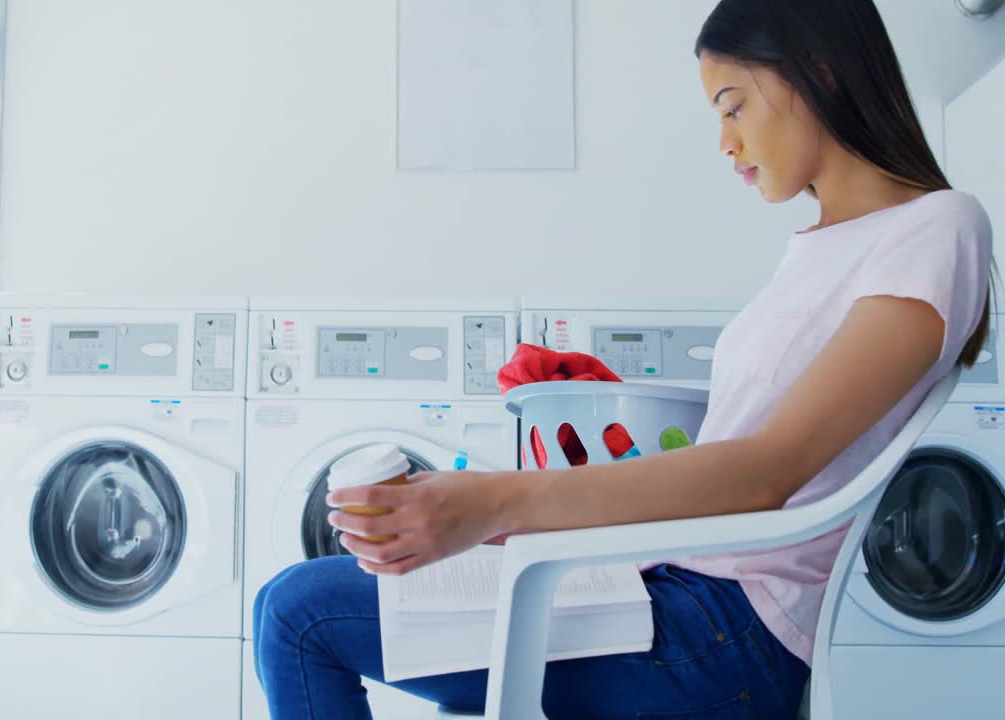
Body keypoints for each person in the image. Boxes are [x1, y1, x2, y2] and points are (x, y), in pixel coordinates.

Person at [252, 0, 997, 716]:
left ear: (817, 72)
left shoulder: (938, 226)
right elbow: (739, 455)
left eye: (733, 106)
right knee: (288, 603)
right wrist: (492, 510)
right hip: (674, 594)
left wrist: (492, 504)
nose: (724, 142)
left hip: (722, 637)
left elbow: (767, 471)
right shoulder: (817, 251)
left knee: (300, 614)